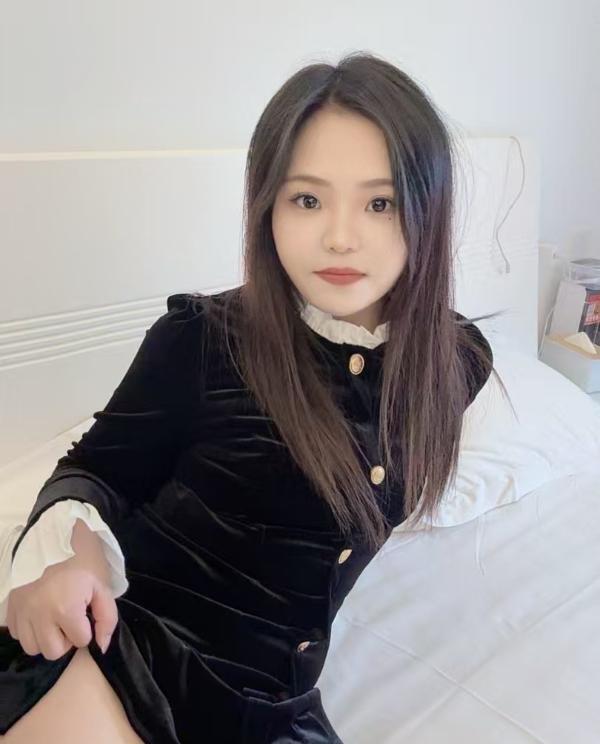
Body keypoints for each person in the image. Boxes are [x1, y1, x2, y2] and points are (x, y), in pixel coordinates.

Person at [0, 51, 503, 743]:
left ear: (428, 209)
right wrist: (73, 555)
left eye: (380, 203)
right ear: (267, 206)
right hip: (126, 654)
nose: (340, 237)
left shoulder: (457, 362)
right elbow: (98, 469)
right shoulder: (203, 339)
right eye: (307, 200)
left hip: (276, 706)